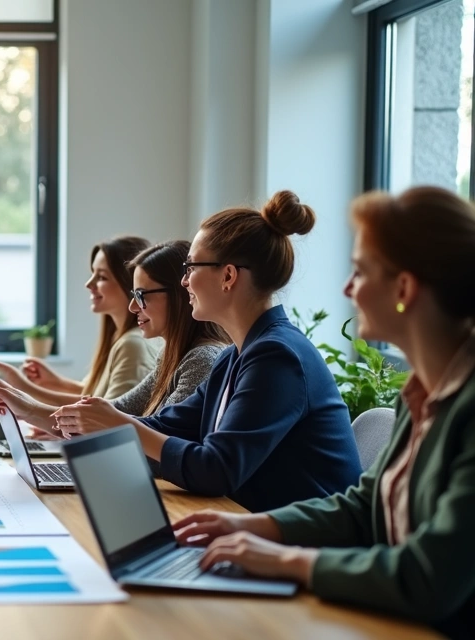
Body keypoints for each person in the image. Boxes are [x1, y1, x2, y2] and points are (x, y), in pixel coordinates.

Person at [175, 186, 475, 636]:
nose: (347, 288)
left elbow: (428, 576)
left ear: (404, 288)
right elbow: (363, 506)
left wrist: (290, 561)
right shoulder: (423, 395)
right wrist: (256, 526)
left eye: (359, 271)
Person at [54, 191, 362, 512]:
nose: (184, 281)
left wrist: (117, 424)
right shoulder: (234, 355)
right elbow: (165, 426)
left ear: (228, 275)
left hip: (306, 547)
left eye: (191, 267)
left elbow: (216, 470)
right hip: (253, 527)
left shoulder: (277, 357)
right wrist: (100, 421)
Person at [0, 240, 227, 435]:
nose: (133, 307)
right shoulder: (173, 357)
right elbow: (115, 410)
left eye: (142, 296)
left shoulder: (201, 360)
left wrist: (28, 400)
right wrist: (25, 405)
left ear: (179, 294)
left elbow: (159, 439)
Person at [0, 236, 161, 409]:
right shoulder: (122, 339)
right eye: (92, 273)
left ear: (131, 285)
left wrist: (24, 389)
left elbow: (109, 415)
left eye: (102, 277)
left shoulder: (132, 344)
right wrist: (57, 384)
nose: (89, 284)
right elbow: (97, 397)